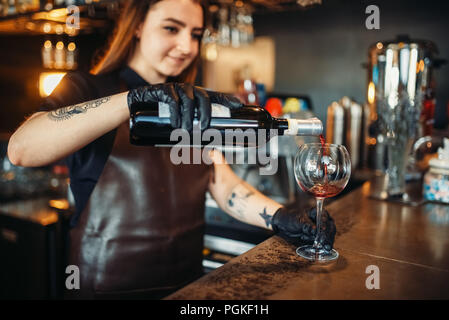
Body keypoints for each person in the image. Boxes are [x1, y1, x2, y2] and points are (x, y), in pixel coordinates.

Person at [7, 0, 336, 299]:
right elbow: (22, 150)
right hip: (104, 290)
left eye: (195, 34)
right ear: (136, 26)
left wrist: (279, 218)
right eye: (171, 28)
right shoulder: (88, 88)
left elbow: (221, 183)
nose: (187, 46)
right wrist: (134, 100)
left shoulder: (192, 102)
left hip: (186, 289)